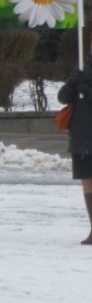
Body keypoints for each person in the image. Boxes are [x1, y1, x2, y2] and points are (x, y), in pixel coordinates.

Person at [58, 57, 92, 245]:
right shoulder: (81, 65)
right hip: (82, 134)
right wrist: (73, 83)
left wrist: (85, 90)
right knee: (87, 180)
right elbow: (62, 97)